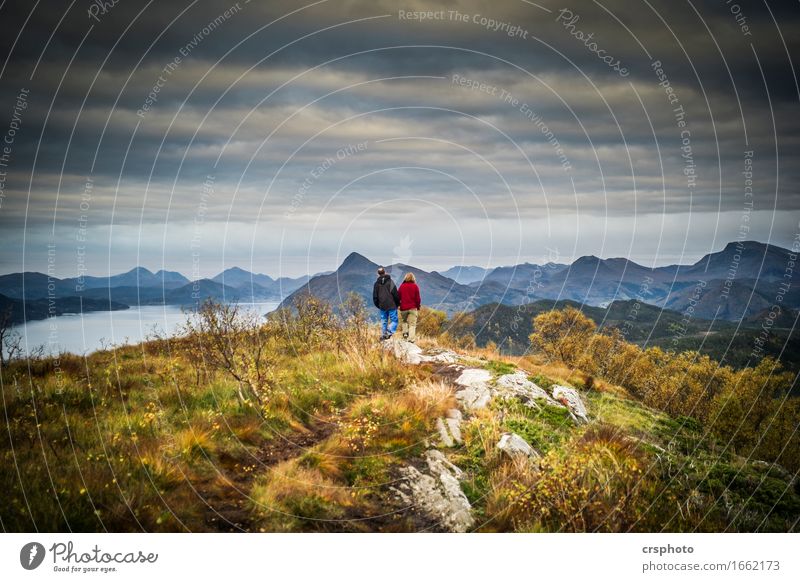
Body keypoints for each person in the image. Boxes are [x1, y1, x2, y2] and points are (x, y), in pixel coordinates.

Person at [372, 267, 399, 340]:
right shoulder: (390, 282)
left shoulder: (376, 284)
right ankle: (389, 332)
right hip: (392, 305)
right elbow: (395, 294)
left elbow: (375, 296)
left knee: (384, 321)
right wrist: (397, 303)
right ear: (385, 272)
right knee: (394, 320)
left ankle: (384, 334)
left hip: (382, 306)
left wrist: (378, 305)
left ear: (378, 274)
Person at [397, 272, 421, 343]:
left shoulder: (402, 286)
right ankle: (411, 339)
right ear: (413, 278)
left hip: (403, 308)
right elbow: (418, 299)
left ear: (405, 278)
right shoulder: (415, 286)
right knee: (412, 324)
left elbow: (398, 297)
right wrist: (418, 306)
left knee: (404, 321)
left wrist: (399, 305)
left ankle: (405, 334)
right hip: (413, 308)